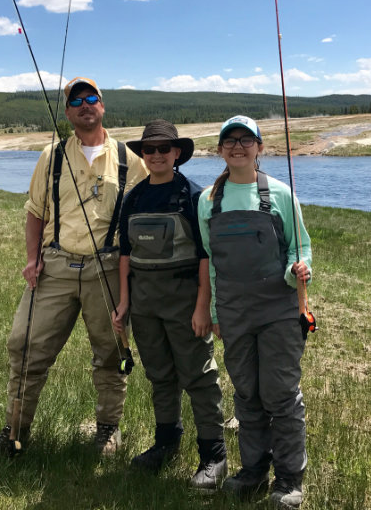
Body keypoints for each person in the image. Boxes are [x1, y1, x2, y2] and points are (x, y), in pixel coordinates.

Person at [0, 77, 148, 458]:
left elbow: (144, 218)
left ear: (102, 106)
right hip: (54, 265)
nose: (85, 105)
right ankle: (14, 433)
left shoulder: (129, 160)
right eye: (76, 100)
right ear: (68, 112)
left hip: (107, 268)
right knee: (24, 346)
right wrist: (32, 259)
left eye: (92, 98)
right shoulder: (50, 156)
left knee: (111, 352)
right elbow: (35, 212)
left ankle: (107, 430)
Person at [197, 115, 312, 509]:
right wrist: (213, 310)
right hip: (233, 312)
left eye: (247, 140)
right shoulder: (208, 201)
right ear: (220, 150)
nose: (238, 146)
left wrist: (297, 269)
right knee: (246, 392)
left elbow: (301, 249)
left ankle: (289, 478)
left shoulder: (281, 194)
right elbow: (211, 261)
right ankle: (253, 469)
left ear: (260, 149)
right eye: (230, 140)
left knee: (279, 394)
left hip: (279, 309)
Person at [112, 119, 227, 491]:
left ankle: (214, 455)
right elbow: (125, 255)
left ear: (178, 153)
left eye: (165, 149)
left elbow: (207, 256)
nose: (157, 155)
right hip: (143, 304)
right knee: (159, 375)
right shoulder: (133, 198)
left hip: (184, 301)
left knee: (199, 377)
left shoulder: (195, 196)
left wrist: (202, 308)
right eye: (150, 149)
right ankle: (166, 442)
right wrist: (123, 304)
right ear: (142, 155)